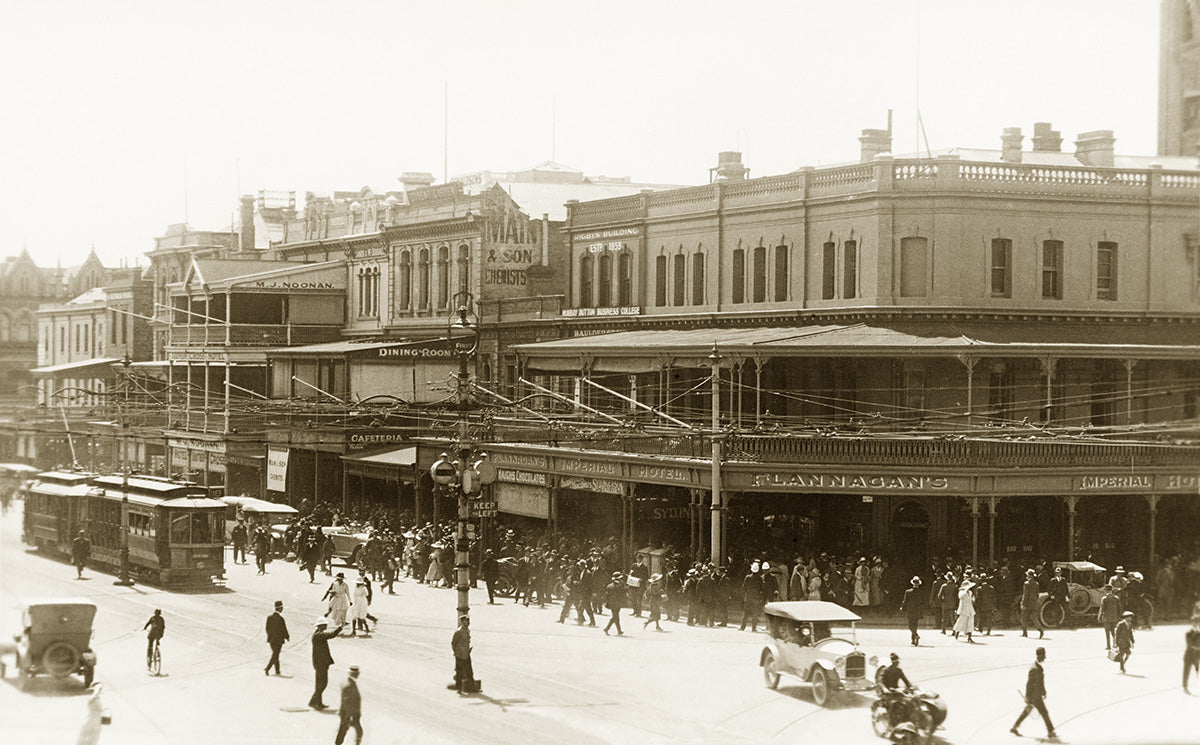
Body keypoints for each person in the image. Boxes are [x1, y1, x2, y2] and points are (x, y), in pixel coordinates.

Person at [1011, 647, 1056, 739]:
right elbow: (1029, 684)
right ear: (1040, 655)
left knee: (1027, 711)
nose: (1045, 657)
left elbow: (1040, 682)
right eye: (1044, 655)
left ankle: (1014, 727)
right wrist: (1028, 696)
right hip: (1035, 696)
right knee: (1044, 712)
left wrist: (1043, 691)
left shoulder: (1037, 667)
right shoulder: (1034, 669)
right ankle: (1050, 731)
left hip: (1036, 694)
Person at [308, 617, 344, 709]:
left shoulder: (317, 634)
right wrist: (340, 627)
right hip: (321, 663)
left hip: (320, 662)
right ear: (321, 626)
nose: (326, 626)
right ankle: (313, 701)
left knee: (319, 683)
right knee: (323, 683)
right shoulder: (318, 635)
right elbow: (332, 635)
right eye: (325, 625)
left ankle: (317, 702)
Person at [878, 652, 914, 726]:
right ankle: (890, 723)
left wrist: (911, 687)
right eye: (895, 662)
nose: (897, 663)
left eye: (898, 661)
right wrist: (885, 689)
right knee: (893, 703)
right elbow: (880, 681)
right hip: (887, 692)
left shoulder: (899, 670)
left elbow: (906, 681)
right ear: (892, 662)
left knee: (908, 701)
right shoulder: (886, 670)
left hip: (896, 691)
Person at [334, 666, 362, 745]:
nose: (359, 674)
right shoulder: (350, 685)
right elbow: (346, 702)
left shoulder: (345, 682)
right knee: (344, 730)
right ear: (355, 674)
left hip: (350, 713)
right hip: (349, 713)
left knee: (355, 730)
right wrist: (349, 715)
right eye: (357, 673)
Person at [450, 616, 474, 694]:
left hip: (466, 653)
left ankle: (471, 687)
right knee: (459, 671)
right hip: (460, 654)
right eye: (467, 621)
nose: (468, 622)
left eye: (468, 621)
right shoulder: (459, 631)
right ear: (463, 622)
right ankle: (459, 688)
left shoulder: (467, 630)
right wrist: (456, 652)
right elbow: (453, 643)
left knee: (469, 671)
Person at [739, 563, 766, 632]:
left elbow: (744, 587)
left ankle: (742, 627)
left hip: (748, 597)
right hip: (756, 598)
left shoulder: (748, 577)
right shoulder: (760, 578)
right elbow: (762, 589)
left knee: (746, 613)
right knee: (755, 614)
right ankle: (753, 628)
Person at [264, 600, 289, 676]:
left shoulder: (269, 618)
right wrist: (287, 637)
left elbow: (267, 628)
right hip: (279, 641)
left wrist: (270, 636)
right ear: (280, 608)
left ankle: (277, 670)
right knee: (275, 655)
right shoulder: (281, 619)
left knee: (276, 654)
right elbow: (284, 629)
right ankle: (267, 668)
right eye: (282, 608)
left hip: (271, 640)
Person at [1020, 569, 1044, 639]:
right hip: (1033, 603)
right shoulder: (1036, 584)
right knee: (1034, 618)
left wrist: (1023, 603)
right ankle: (1040, 630)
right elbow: (1037, 594)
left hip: (1027, 604)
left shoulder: (1026, 584)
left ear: (1029, 575)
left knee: (1023, 618)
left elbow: (1025, 595)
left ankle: (1025, 633)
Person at [900, 576, 924, 647]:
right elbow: (922, 602)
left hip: (910, 610)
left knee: (910, 625)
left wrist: (903, 608)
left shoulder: (908, 592)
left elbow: (905, 601)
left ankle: (915, 637)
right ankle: (914, 638)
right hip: (917, 610)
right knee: (915, 624)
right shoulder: (921, 592)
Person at [1097, 584, 1121, 650]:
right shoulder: (1116, 598)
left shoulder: (1104, 598)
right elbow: (1119, 609)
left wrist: (1099, 616)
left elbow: (1102, 609)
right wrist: (1119, 616)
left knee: (1107, 633)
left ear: (1106, 590)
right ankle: (1116, 644)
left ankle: (1108, 646)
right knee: (1113, 632)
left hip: (1106, 618)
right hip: (1114, 617)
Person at [1184, 614, 1200, 694]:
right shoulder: (1188, 633)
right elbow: (1189, 644)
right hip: (1189, 655)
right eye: (1194, 622)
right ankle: (1185, 687)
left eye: (1197, 622)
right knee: (1186, 671)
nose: (1196, 624)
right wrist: (1197, 647)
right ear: (1192, 623)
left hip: (1197, 656)